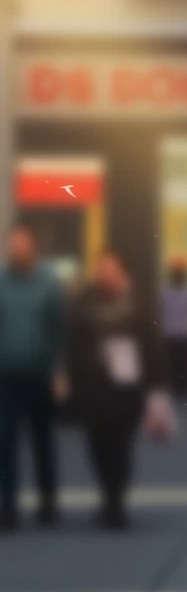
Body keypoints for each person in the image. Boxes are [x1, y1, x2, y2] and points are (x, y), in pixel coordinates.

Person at [64, 250, 175, 528]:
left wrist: (157, 387)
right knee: (96, 447)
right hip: (93, 388)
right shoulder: (84, 303)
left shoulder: (137, 305)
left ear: (121, 272)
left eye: (111, 268)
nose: (106, 273)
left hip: (126, 390)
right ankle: (107, 494)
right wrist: (68, 377)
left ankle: (116, 503)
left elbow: (151, 347)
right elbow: (73, 345)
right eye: (102, 268)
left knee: (121, 447)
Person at [0, 225, 67, 532]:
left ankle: (48, 503)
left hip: (41, 375)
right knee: (5, 444)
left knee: (44, 442)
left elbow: (59, 329)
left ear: (33, 248)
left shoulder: (48, 284)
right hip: (7, 376)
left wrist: (59, 370)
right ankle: (7, 507)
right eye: (13, 245)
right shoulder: (2, 283)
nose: (17, 250)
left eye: (22, 244)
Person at [158, 254, 187, 399]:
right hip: (184, 332)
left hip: (171, 332)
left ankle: (178, 388)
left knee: (175, 363)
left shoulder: (166, 291)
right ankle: (184, 389)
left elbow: (161, 308)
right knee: (184, 363)